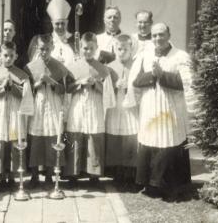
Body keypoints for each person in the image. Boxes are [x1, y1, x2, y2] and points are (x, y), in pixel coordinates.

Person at [127, 23, 195, 200]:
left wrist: (162, 75)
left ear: (169, 34)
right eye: (155, 35)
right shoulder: (144, 56)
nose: (158, 38)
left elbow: (186, 83)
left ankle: (170, 187)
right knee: (150, 141)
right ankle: (150, 185)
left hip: (170, 108)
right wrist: (152, 75)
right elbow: (136, 81)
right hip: (150, 107)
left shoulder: (180, 56)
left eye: (161, 34)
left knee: (169, 142)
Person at [64, 32, 116, 185]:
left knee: (93, 138)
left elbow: (108, 92)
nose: (88, 51)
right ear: (80, 48)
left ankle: (94, 175)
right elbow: (68, 88)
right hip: (78, 104)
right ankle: (72, 174)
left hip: (94, 104)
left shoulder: (103, 69)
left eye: (91, 48)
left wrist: (95, 83)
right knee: (75, 136)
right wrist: (80, 83)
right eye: (85, 48)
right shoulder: (72, 67)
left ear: (96, 48)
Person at [0, 42, 34, 186]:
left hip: (14, 111)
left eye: (11, 56)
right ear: (0, 56)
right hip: (0, 111)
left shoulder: (22, 75)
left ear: (16, 56)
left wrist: (12, 87)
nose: (8, 59)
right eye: (5, 55)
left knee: (14, 139)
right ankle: (1, 177)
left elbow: (26, 96)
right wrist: (1, 87)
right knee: (0, 141)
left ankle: (12, 175)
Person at [24, 34, 69, 187]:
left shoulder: (59, 66)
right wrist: (37, 84)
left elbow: (64, 89)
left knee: (52, 138)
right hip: (38, 103)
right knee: (36, 139)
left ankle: (50, 174)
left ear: (52, 48)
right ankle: (35, 175)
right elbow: (27, 89)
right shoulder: (31, 66)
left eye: (47, 49)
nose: (44, 52)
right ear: (37, 48)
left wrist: (51, 81)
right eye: (41, 49)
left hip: (53, 103)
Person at [105, 34, 139, 186]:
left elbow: (141, 85)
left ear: (131, 49)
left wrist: (130, 86)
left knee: (130, 137)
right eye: (119, 49)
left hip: (131, 107)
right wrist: (113, 85)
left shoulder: (137, 65)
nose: (122, 52)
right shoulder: (109, 67)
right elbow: (104, 89)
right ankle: (117, 171)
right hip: (116, 105)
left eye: (125, 49)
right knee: (115, 137)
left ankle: (130, 170)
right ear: (114, 48)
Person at [28, 0, 75, 66]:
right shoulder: (42, 40)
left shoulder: (74, 40)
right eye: (57, 23)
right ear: (52, 24)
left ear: (67, 23)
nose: (60, 26)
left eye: (63, 23)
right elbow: (35, 64)